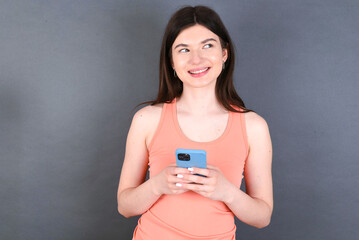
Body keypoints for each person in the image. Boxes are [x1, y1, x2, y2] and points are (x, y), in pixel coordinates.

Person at [117, 5, 273, 240]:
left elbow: (262, 217)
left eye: (207, 45)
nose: (196, 59)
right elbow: (125, 206)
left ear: (224, 53)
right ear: (171, 61)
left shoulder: (254, 127)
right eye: (183, 49)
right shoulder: (146, 119)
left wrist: (227, 192)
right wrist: (157, 185)